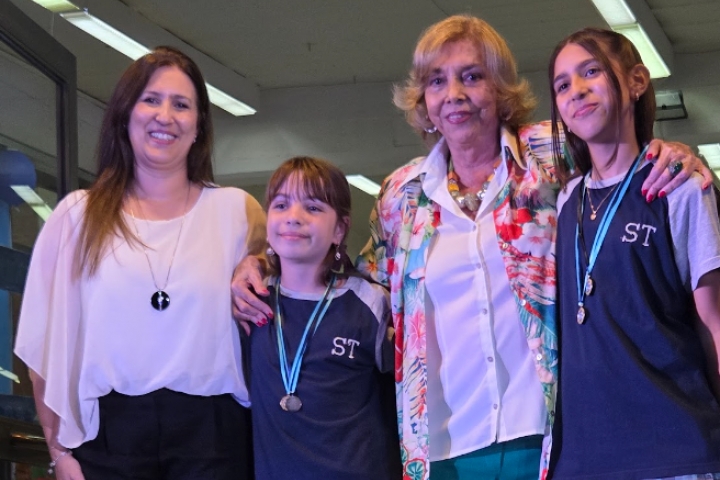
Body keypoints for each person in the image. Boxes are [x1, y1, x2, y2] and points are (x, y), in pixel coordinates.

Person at [231, 15, 710, 480]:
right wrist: (262, 261)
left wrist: (673, 152)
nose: (454, 94)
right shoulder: (401, 196)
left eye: (472, 76)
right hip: (443, 445)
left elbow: (616, 155)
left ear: (500, 90)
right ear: (424, 100)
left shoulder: (547, 155)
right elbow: (354, 283)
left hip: (548, 433)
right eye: (437, 81)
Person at [14, 46, 265, 480]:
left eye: (181, 105)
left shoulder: (236, 212)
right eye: (151, 100)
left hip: (214, 438)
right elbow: (43, 348)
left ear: (199, 125)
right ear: (125, 114)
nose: (165, 116)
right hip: (109, 439)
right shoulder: (77, 217)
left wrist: (261, 261)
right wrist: (59, 452)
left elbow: (283, 285)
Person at [548, 28, 720, 480]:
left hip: (675, 449)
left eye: (591, 71)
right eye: (562, 84)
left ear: (637, 81)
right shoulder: (566, 201)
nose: (576, 90)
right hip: (583, 459)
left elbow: (714, 324)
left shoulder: (680, 188)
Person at [249, 156, 401, 479]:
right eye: (281, 205)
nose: (294, 217)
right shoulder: (252, 301)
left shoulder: (371, 303)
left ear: (340, 229)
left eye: (313, 207)